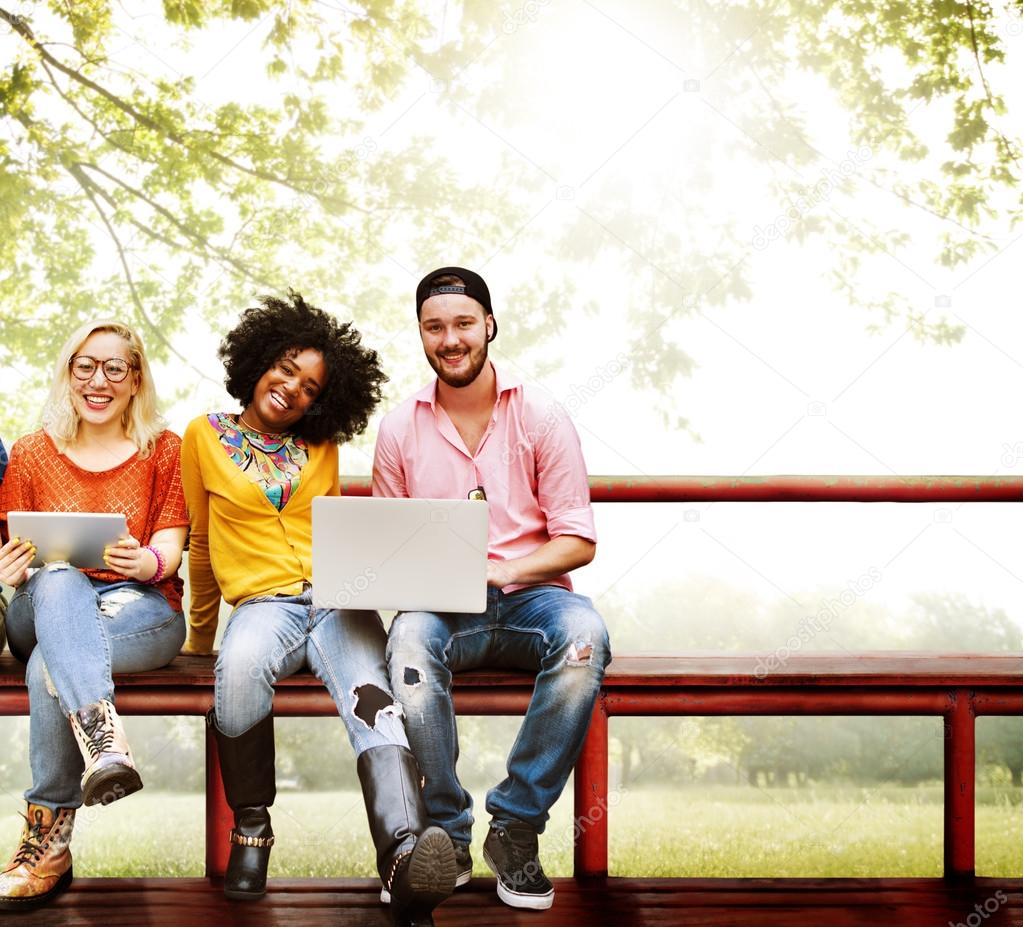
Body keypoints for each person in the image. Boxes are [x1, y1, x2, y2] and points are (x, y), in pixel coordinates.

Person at [181, 291, 457, 924]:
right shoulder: (203, 436)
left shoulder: (322, 447)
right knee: (240, 665)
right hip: (262, 604)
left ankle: (405, 859)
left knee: (375, 699)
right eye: (285, 368)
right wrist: (199, 639)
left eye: (310, 387)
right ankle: (252, 826)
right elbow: (198, 543)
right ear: (257, 363)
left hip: (338, 601)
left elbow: (337, 531)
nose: (292, 389)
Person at [373, 267, 612, 911]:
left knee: (586, 636)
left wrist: (505, 570)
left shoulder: (541, 414)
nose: (450, 339)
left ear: (489, 326)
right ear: (421, 335)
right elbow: (390, 550)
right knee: (409, 643)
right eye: (434, 327)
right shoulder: (398, 428)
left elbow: (578, 542)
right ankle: (446, 834)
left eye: (463, 324)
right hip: (446, 609)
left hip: (534, 598)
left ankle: (515, 828)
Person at [0, 321, 188, 911]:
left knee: (48, 668)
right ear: (68, 372)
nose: (97, 381)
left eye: (113, 368)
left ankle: (46, 841)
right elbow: (16, 551)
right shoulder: (31, 451)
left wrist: (145, 560)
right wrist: (9, 570)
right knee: (58, 576)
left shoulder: (165, 449)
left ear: (136, 380)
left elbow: (171, 550)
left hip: (139, 610)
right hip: (41, 604)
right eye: (84, 366)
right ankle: (103, 743)